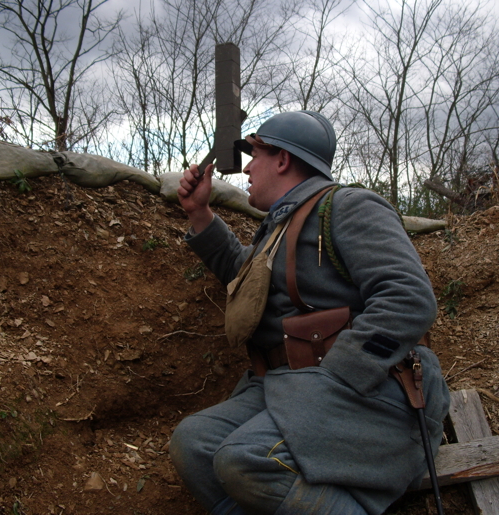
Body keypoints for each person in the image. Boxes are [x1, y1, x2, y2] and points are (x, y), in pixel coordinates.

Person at [168, 110, 449, 515]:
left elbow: (408, 298)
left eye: (256, 155)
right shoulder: (279, 226)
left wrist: (338, 379)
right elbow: (251, 280)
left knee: (245, 459)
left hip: (366, 393)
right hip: (284, 386)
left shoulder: (349, 206)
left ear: (282, 160)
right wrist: (199, 214)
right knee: (195, 444)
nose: (247, 166)